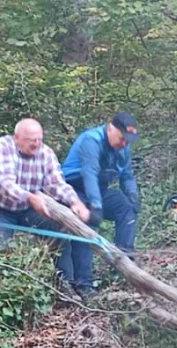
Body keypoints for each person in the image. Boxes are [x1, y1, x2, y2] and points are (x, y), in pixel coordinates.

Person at [0, 118, 91, 289]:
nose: (37, 144)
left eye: (39, 139)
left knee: (58, 232)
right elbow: (6, 183)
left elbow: (56, 184)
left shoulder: (46, 153)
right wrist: (30, 197)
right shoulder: (3, 146)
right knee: (1, 252)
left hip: (26, 209)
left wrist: (75, 201)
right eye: (32, 140)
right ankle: (1, 292)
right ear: (17, 138)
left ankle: (65, 285)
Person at [60, 113, 141, 297]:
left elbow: (127, 175)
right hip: (74, 189)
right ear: (110, 128)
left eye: (128, 141)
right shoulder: (91, 140)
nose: (124, 144)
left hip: (99, 188)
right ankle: (84, 283)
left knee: (125, 208)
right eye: (122, 139)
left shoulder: (123, 149)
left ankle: (123, 264)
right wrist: (95, 207)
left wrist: (132, 196)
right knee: (86, 225)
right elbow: (90, 172)